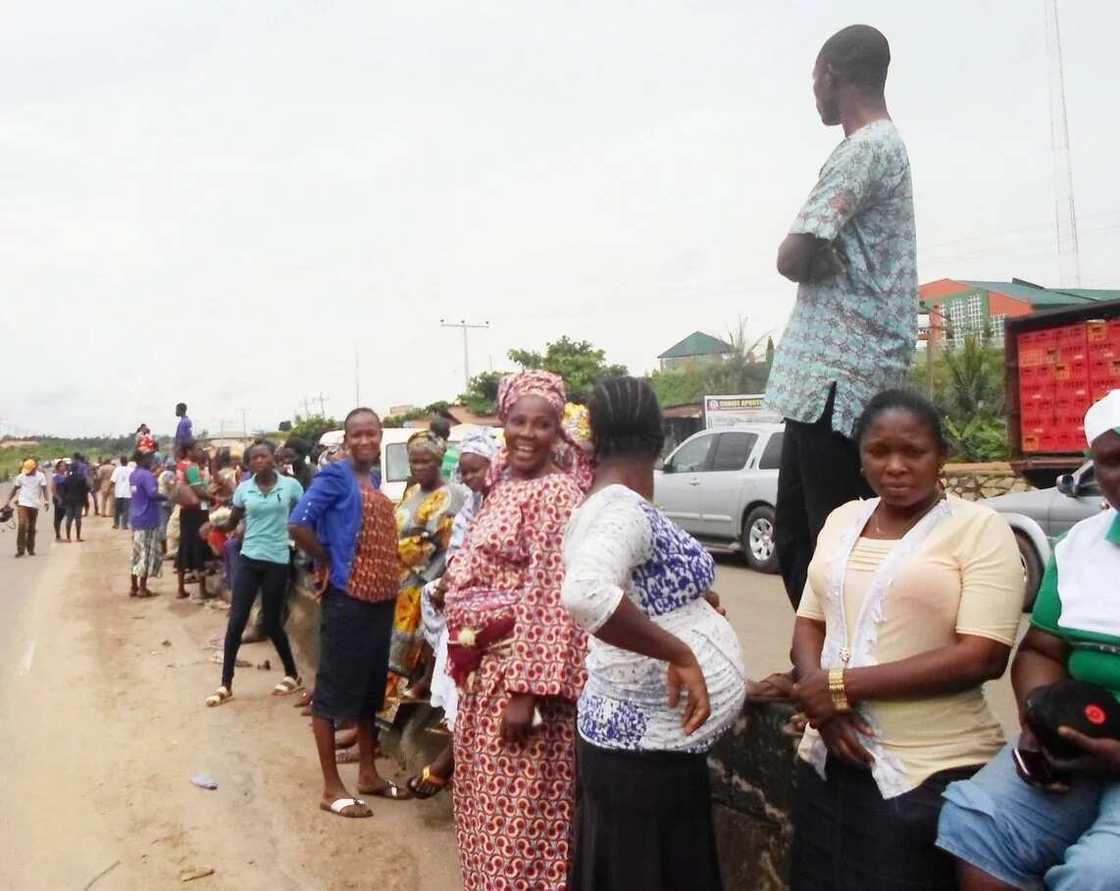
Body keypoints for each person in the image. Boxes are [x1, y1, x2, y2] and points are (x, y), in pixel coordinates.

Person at [787, 389, 1024, 890]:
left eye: (913, 452)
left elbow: (981, 656)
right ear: (860, 457)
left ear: (941, 456)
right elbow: (810, 622)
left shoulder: (979, 530)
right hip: (828, 757)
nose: (895, 466)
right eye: (879, 452)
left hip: (929, 768)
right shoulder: (841, 521)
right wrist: (822, 706)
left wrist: (838, 688)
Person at [561, 377, 747, 891]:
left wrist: (693, 605)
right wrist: (680, 652)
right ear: (660, 436)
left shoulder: (605, 504)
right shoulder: (620, 508)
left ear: (597, 438)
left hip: (643, 753)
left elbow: (635, 590)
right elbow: (586, 594)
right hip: (643, 761)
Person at [936, 389, 1120, 891]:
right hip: (1083, 747)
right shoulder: (1081, 546)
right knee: (977, 823)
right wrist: (1044, 718)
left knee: (1099, 875)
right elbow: (1042, 648)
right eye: (1112, 461)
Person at [765, 25, 917, 612]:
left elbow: (791, 255)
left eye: (814, 80)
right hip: (822, 388)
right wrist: (814, 254)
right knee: (798, 542)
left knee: (832, 548)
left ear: (830, 74)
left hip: (840, 383)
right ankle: (822, 652)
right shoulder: (880, 148)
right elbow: (807, 252)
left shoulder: (866, 149)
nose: (814, 94)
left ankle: (846, 657)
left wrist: (809, 256)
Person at [442, 371, 590, 891]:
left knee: (523, 822)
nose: (528, 434)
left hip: (521, 685)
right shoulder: (503, 486)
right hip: (484, 681)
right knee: (485, 813)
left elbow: (552, 594)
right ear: (503, 422)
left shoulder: (557, 494)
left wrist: (526, 693)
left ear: (557, 431)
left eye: (542, 424)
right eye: (518, 421)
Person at [289, 408, 410, 817]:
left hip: (380, 598)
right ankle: (331, 788)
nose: (364, 441)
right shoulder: (335, 477)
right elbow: (299, 524)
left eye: (371, 434)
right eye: (356, 435)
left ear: (380, 437)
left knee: (369, 691)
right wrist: (327, 559)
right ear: (346, 440)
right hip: (348, 597)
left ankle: (368, 775)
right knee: (331, 693)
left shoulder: (371, 479)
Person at [407, 429, 499, 799]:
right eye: (466, 471)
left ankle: (450, 761)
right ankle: (455, 749)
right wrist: (452, 582)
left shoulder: (512, 502)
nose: (471, 477)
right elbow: (459, 552)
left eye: (478, 469)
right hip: (467, 598)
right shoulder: (472, 505)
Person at [204, 441, 304, 707]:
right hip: (249, 558)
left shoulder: (291, 487)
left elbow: (304, 516)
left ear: (274, 459)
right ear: (248, 464)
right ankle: (225, 684)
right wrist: (214, 526)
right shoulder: (244, 489)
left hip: (278, 559)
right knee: (237, 620)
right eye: (254, 458)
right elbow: (233, 521)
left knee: (271, 622)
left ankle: (292, 674)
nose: (259, 460)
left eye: (264, 456)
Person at [385, 430, 464, 707]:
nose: (418, 467)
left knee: (402, 653)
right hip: (398, 580)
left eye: (425, 461)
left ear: (439, 460)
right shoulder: (412, 492)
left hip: (424, 581)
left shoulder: (451, 495)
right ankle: (377, 717)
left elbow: (437, 546)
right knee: (388, 648)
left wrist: (395, 551)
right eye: (414, 461)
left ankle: (389, 713)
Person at [175, 441, 211, 600]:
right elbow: (199, 491)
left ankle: (180, 588)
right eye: (198, 449)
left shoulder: (180, 465)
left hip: (185, 510)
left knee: (184, 546)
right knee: (200, 546)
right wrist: (214, 498)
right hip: (197, 511)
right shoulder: (192, 468)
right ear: (189, 451)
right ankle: (202, 590)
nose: (201, 452)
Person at [128, 452, 164, 597]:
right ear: (145, 459)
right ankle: (142, 588)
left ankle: (134, 586)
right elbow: (152, 493)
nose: (152, 461)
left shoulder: (134, 474)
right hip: (148, 518)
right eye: (150, 458)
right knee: (146, 554)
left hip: (136, 517)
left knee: (136, 553)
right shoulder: (147, 475)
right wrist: (168, 496)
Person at [6, 458, 48, 557]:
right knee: (22, 524)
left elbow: (44, 489)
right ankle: (20, 549)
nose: (27, 472)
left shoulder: (41, 476)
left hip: (34, 505)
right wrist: (8, 501)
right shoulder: (21, 476)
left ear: (34, 468)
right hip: (22, 503)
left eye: (29, 470)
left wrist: (47, 501)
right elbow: (14, 489)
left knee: (31, 528)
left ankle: (30, 548)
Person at [60, 460, 90, 542]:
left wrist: (64, 499)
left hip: (69, 501)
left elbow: (64, 491)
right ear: (77, 469)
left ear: (71, 469)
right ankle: (78, 537)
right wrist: (85, 500)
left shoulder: (67, 478)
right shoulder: (82, 478)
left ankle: (68, 537)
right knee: (78, 519)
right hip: (79, 501)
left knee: (69, 519)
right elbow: (85, 490)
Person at [111, 455, 132, 529]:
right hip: (128, 493)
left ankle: (116, 524)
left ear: (120, 461)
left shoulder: (117, 469)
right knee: (126, 510)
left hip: (118, 492)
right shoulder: (131, 470)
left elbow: (113, 481)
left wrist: (110, 489)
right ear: (127, 462)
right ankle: (124, 525)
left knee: (117, 509)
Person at [51, 460, 68, 542]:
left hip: (64, 499)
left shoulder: (66, 476)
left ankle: (59, 536)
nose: (64, 467)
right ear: (58, 467)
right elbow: (53, 489)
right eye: (62, 466)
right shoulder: (56, 477)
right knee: (57, 517)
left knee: (61, 517)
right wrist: (58, 499)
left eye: (65, 465)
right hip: (58, 499)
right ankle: (57, 536)